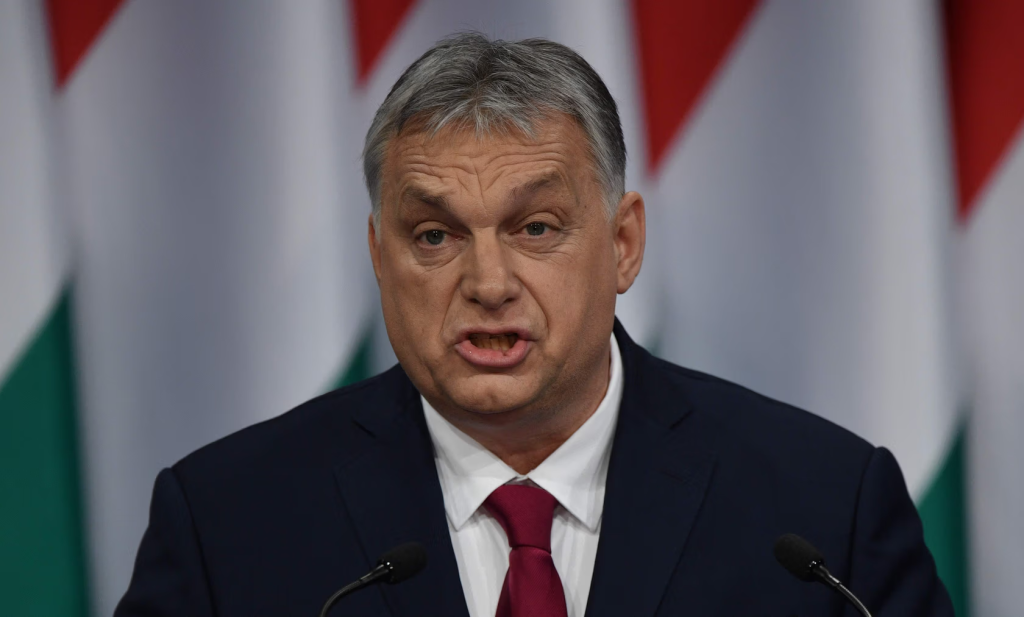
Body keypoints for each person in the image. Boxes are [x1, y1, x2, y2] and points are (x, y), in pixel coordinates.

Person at [115, 33, 953, 617]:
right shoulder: (230, 523)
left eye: (536, 228)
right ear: (379, 254)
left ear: (623, 245)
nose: (488, 284)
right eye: (434, 236)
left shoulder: (820, 514)